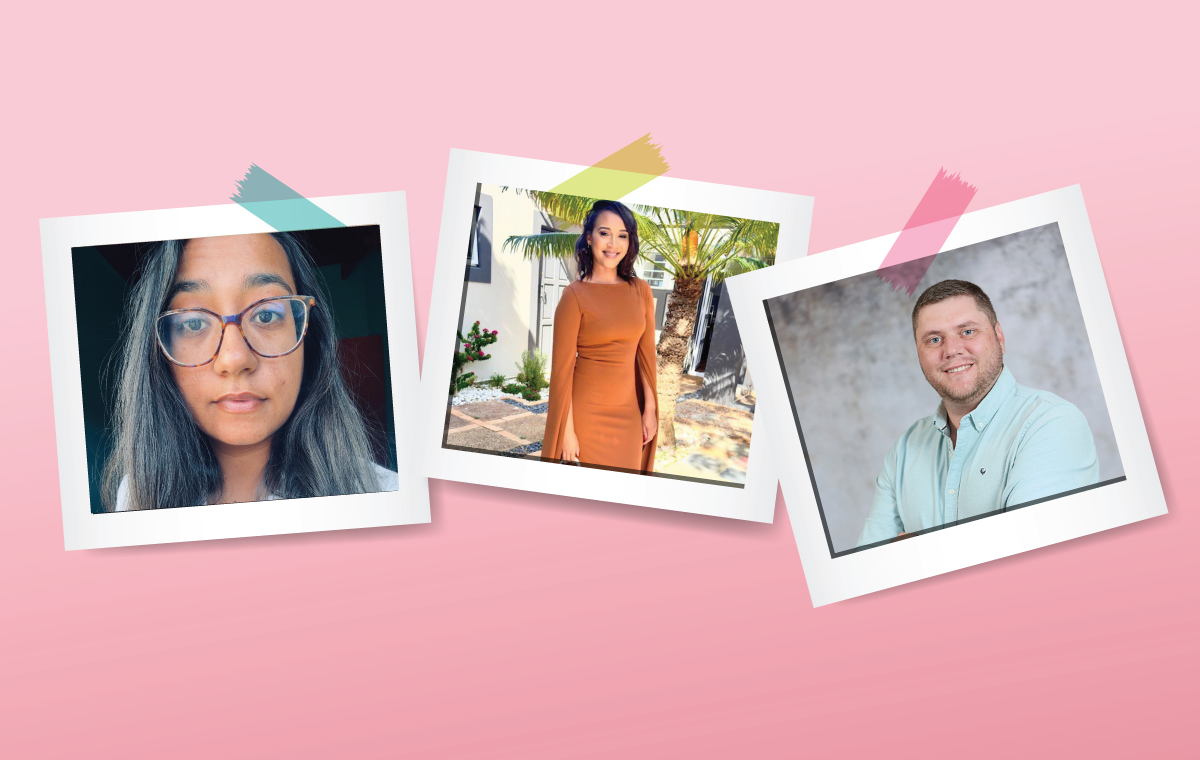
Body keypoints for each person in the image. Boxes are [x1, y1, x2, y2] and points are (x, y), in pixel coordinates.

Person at [102, 232, 397, 511]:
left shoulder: (385, 497)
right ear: (158, 353)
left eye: (267, 315)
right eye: (193, 323)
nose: (234, 359)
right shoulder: (137, 494)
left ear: (309, 338)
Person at [857, 279, 1099, 546]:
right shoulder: (904, 450)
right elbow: (869, 569)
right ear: (919, 353)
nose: (951, 350)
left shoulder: (1051, 424)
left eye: (968, 332)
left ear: (999, 338)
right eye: (934, 339)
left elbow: (1032, 559)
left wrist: (917, 550)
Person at [541, 200, 658, 471]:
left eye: (622, 235)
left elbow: (646, 357)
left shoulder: (641, 291)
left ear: (630, 242)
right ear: (590, 236)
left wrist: (649, 409)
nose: (612, 244)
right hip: (586, 416)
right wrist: (567, 432)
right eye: (605, 233)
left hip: (628, 414)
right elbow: (562, 371)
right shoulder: (574, 296)